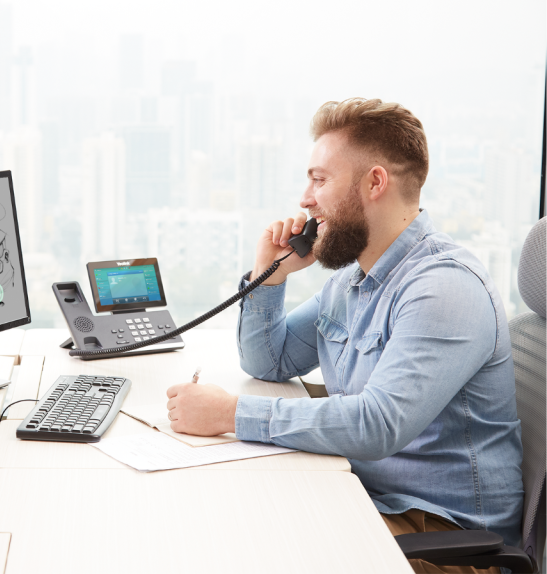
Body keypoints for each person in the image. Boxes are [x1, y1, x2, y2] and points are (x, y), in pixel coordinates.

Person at [165, 98, 523, 574]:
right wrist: (269, 275)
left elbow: (377, 424)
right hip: (366, 494)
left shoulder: (444, 287)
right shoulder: (353, 281)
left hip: (443, 538)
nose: (305, 199)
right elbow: (268, 361)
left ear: (374, 182)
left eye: (319, 179)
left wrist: (230, 413)